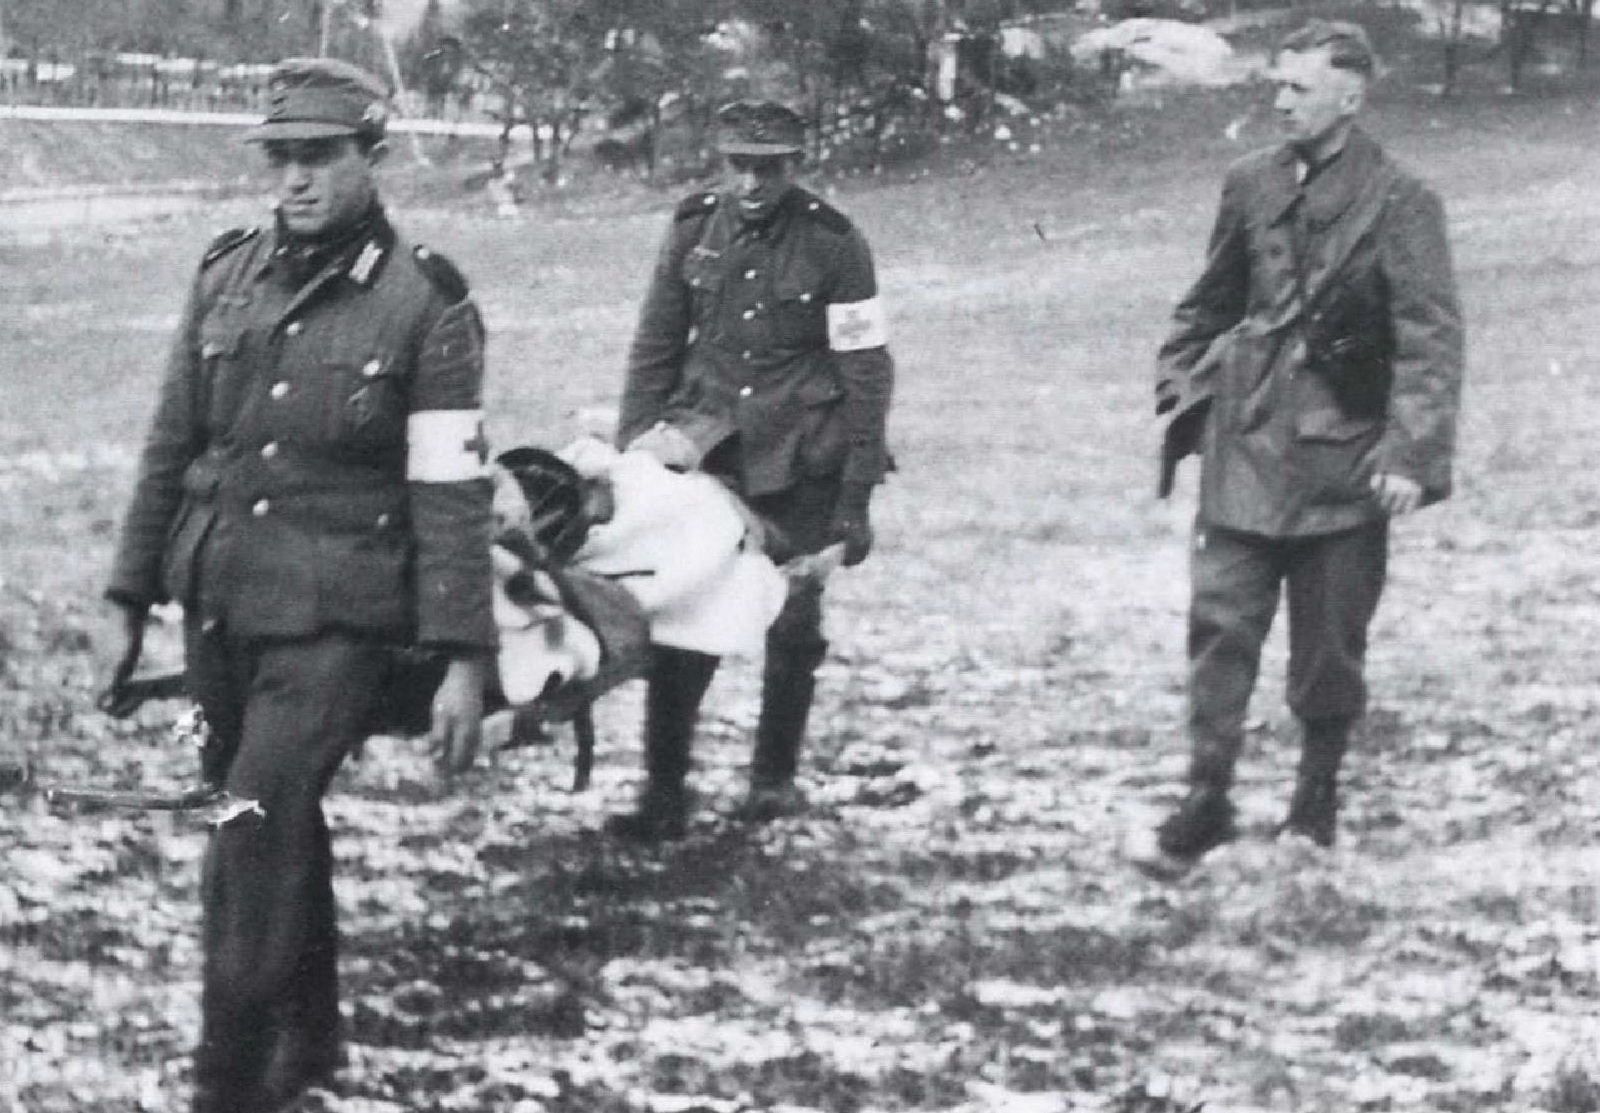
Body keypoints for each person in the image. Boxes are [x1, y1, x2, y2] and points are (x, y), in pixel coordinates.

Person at [104, 57, 496, 1112]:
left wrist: (466, 657)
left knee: (250, 816)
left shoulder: (426, 305)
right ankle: (312, 1040)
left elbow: (451, 494)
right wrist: (128, 602)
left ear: (372, 157)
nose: (294, 180)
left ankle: (226, 1085)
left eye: (318, 157)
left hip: (340, 617)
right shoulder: (224, 277)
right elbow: (170, 445)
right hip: (223, 603)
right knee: (274, 814)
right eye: (279, 158)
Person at [1138, 22, 1464, 875]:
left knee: (1328, 646)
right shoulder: (1249, 182)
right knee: (1218, 630)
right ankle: (1206, 796)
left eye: (1299, 88)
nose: (1280, 100)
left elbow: (1430, 337)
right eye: (1277, 85)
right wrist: (1183, 388)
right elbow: (1206, 302)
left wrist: (1410, 453)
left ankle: (1314, 799)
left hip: (1345, 461)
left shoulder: (1401, 200)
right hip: (1243, 449)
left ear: (1349, 98)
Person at [608, 99, 895, 841]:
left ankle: (773, 782)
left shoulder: (836, 242)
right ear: (720, 161)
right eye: (739, 164)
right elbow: (656, 341)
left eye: (768, 167)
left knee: (794, 618)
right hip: (709, 448)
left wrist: (855, 501)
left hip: (802, 452)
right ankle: (664, 793)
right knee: (681, 617)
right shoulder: (691, 226)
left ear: (795, 166)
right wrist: (632, 450)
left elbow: (865, 371)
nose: (752, 183)